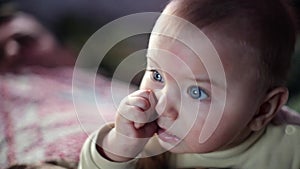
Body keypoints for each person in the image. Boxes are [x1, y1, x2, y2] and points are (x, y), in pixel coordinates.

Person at [78, 0, 300, 168]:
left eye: (197, 92)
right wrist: (119, 146)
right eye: (157, 76)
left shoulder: (291, 148)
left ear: (263, 109)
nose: (162, 107)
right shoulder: (150, 138)